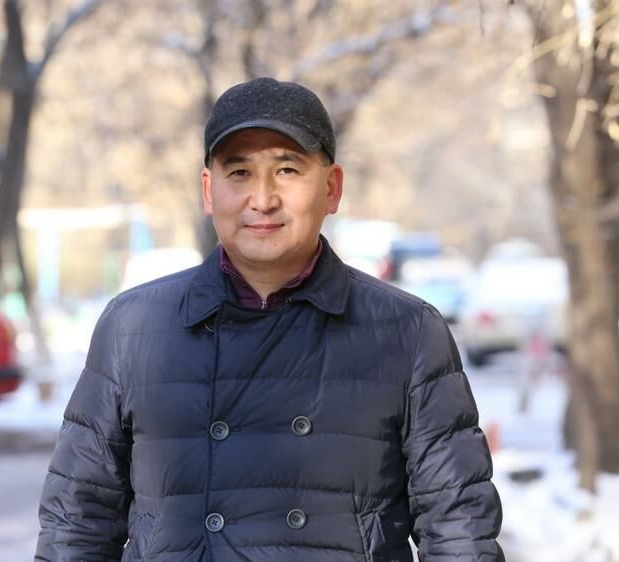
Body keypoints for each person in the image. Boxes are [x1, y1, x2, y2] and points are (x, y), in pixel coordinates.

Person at [36, 77, 505, 562]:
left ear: (332, 188)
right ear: (208, 191)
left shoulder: (407, 333)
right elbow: (76, 526)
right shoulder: (133, 329)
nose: (262, 199)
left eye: (286, 170)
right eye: (239, 172)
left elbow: (460, 532)